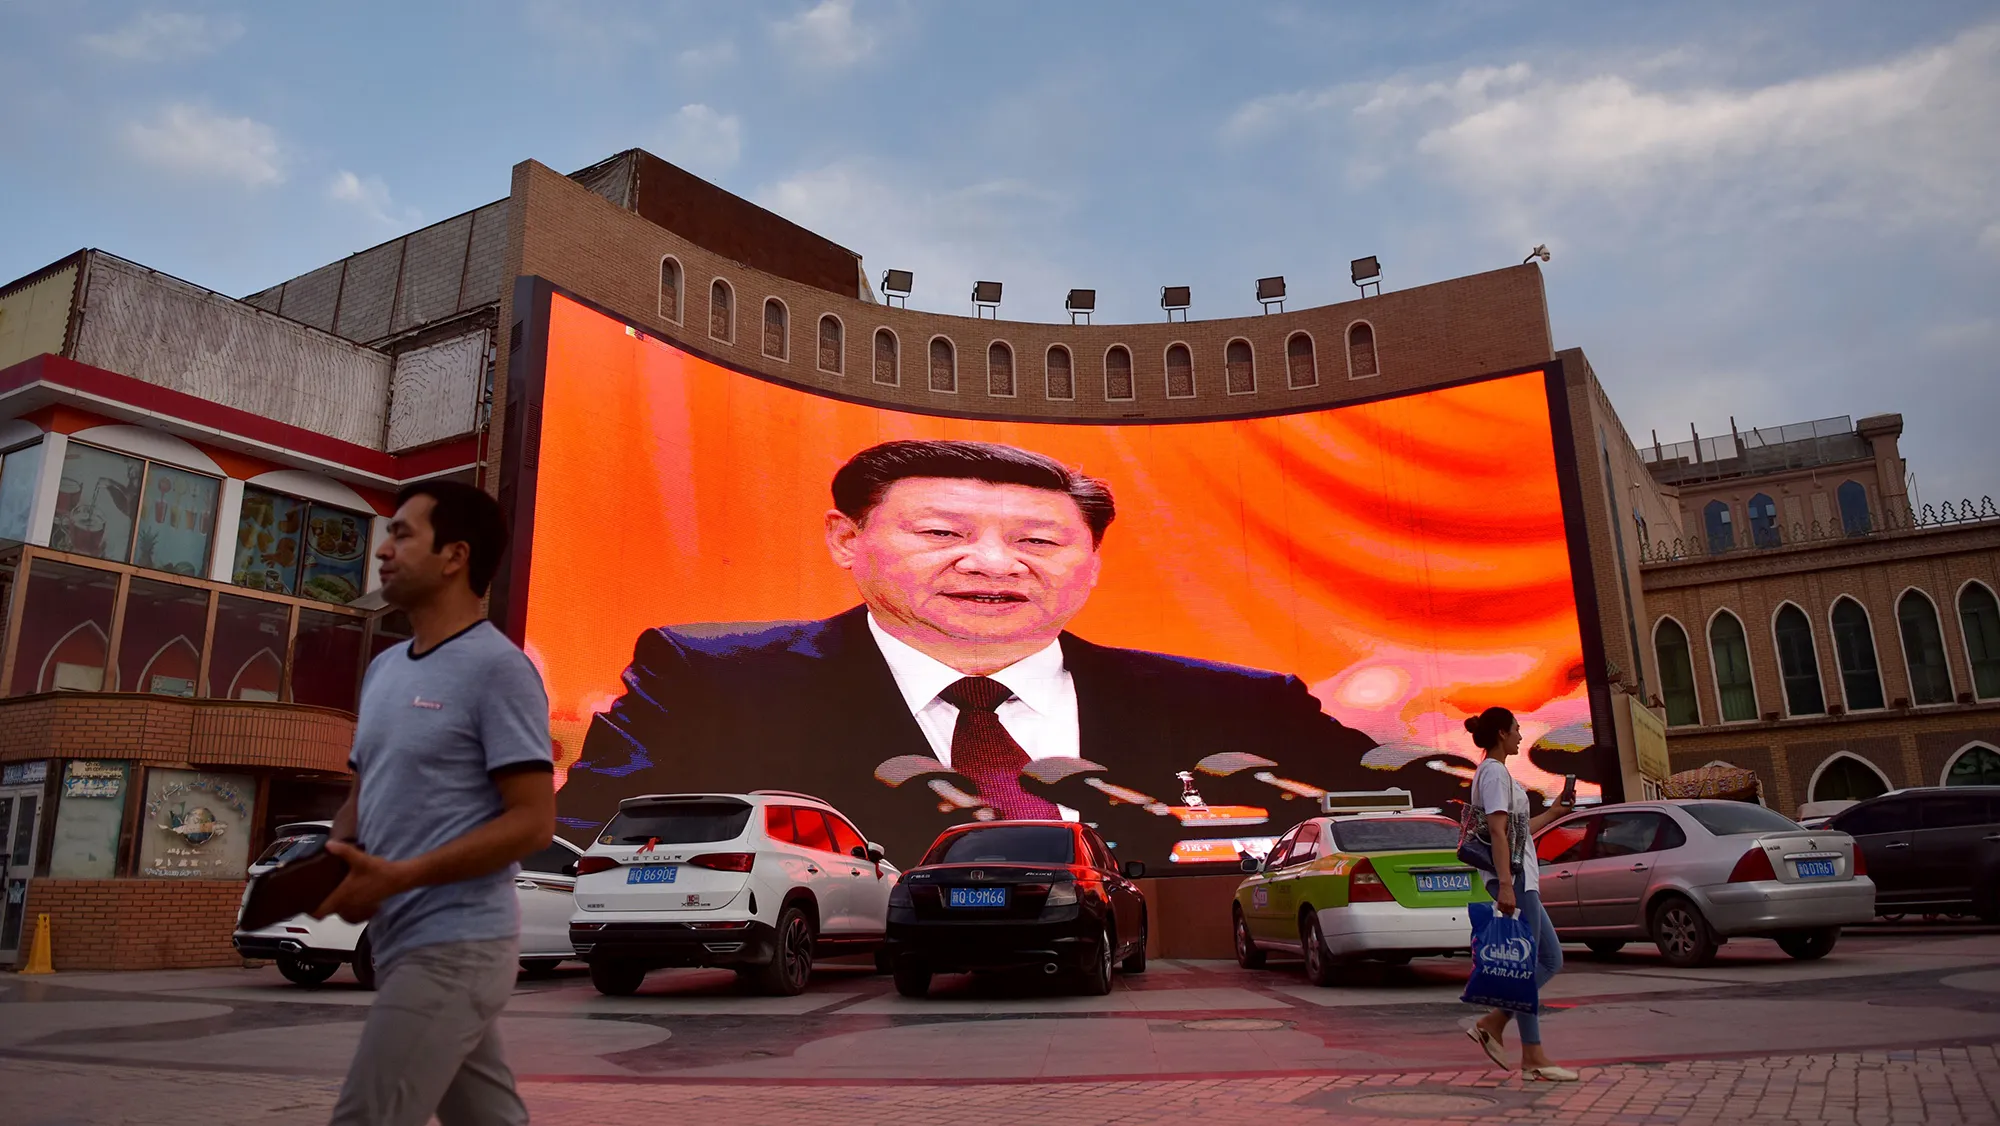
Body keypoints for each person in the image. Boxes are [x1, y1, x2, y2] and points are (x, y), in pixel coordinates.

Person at [558, 439, 1381, 868]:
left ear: (1091, 563)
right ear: (845, 540)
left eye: (1039, 540)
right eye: (943, 534)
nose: (993, 564)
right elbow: (578, 844)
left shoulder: (1240, 706)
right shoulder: (712, 679)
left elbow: (1404, 819)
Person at [314, 481, 555, 1126]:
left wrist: (405, 876)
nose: (383, 551)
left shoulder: (498, 670)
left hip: (458, 943)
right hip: (396, 939)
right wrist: (329, 866)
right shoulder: (386, 669)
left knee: (366, 1117)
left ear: (455, 556)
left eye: (402, 534)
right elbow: (363, 798)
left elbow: (533, 821)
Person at [1461, 705, 1577, 1081]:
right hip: (1514, 881)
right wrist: (1507, 886)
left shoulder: (1498, 774)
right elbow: (1496, 831)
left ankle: (1494, 1024)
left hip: (1521, 878)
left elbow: (1518, 831)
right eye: (1516, 729)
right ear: (1501, 734)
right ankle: (1533, 1056)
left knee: (1549, 960)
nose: (1521, 735)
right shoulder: (1493, 773)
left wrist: (1556, 812)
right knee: (1529, 967)